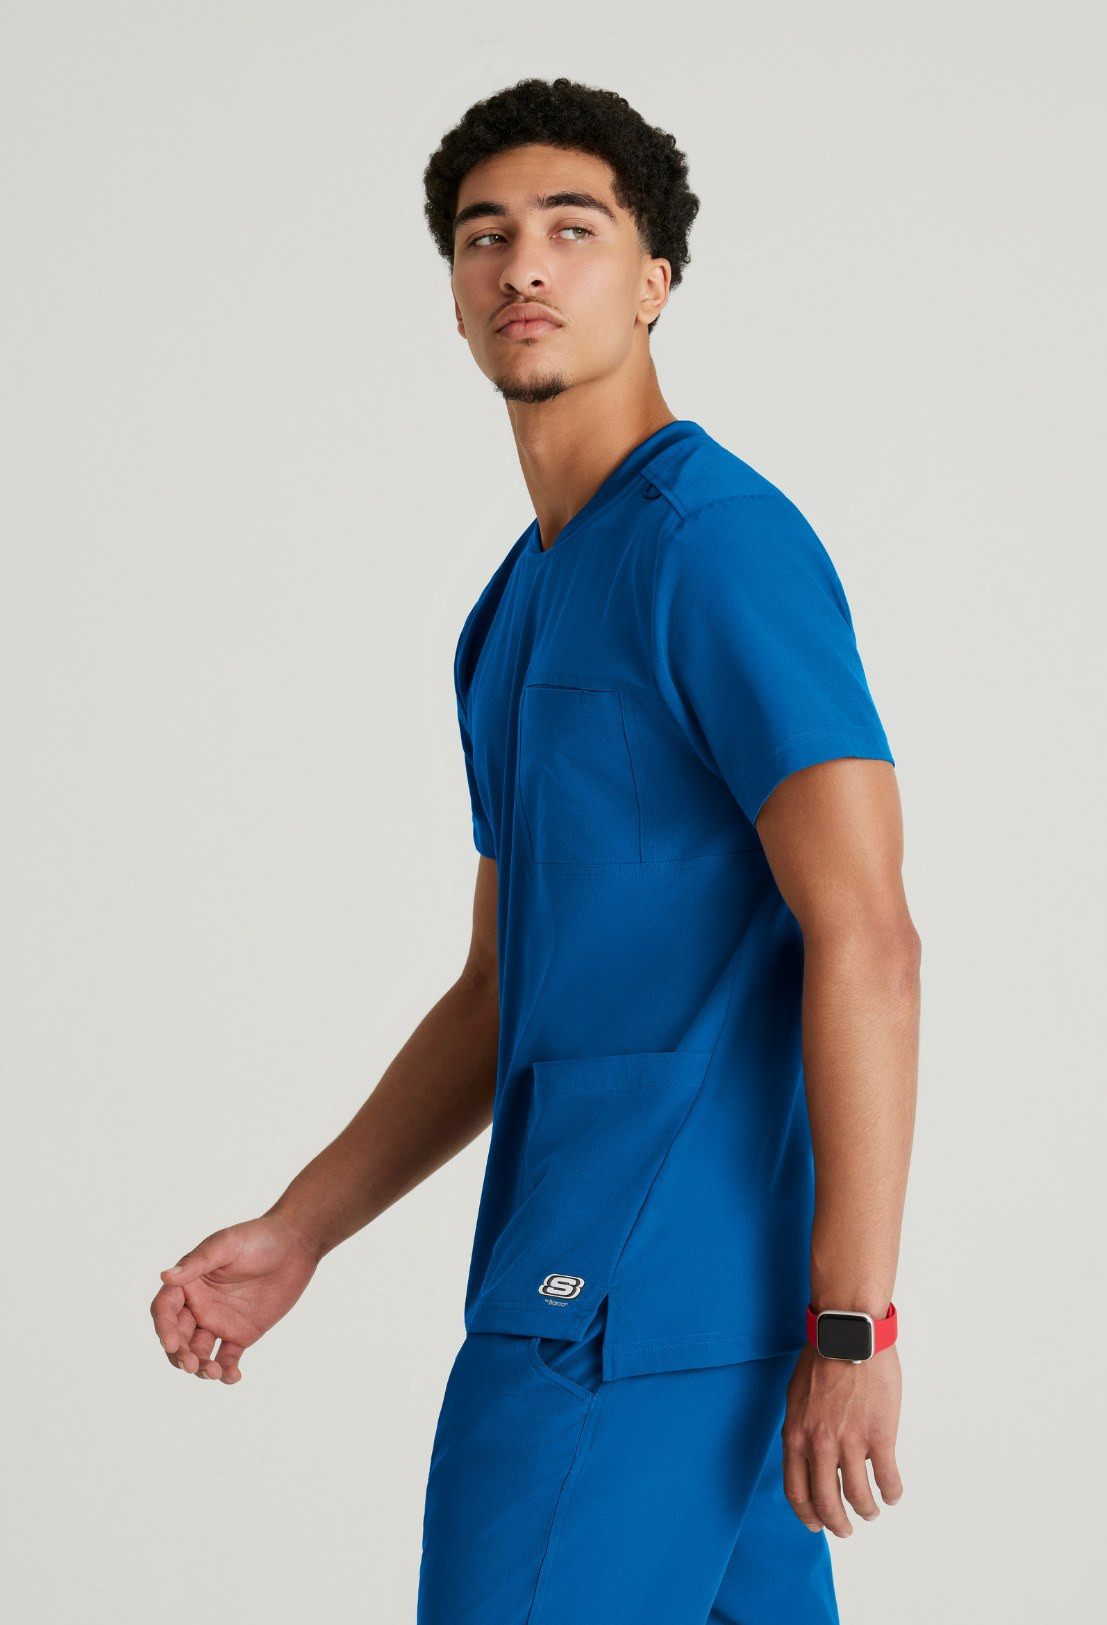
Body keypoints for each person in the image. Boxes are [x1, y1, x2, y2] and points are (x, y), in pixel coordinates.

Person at [151, 76, 921, 1624]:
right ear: (451, 293)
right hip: (629, 1297)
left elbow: (867, 934)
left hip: (628, 1311)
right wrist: (302, 1228)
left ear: (652, 280)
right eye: (483, 235)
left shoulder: (714, 546)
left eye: (573, 229)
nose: (521, 265)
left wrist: (854, 1323)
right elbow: (502, 983)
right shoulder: (512, 609)